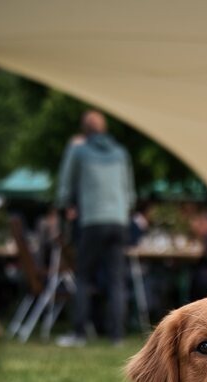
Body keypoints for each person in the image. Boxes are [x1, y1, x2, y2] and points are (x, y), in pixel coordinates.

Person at [56, 110, 135, 345]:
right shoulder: (121, 153)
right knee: (116, 279)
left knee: (83, 277)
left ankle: (79, 334)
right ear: (105, 130)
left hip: (92, 221)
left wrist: (65, 207)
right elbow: (129, 192)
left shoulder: (79, 151)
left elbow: (64, 185)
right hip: (119, 221)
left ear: (84, 130)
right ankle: (117, 336)